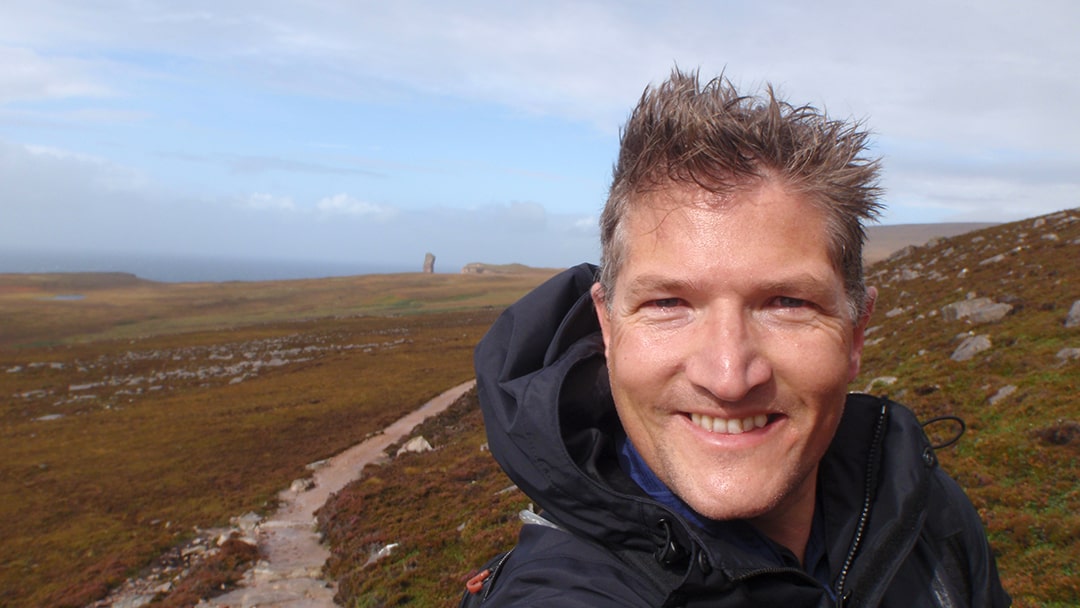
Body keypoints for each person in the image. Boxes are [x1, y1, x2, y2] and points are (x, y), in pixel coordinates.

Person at [470, 69, 1010, 606]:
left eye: (787, 303)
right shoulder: (563, 593)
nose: (728, 377)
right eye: (668, 303)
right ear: (608, 328)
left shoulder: (918, 502)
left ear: (855, 332)